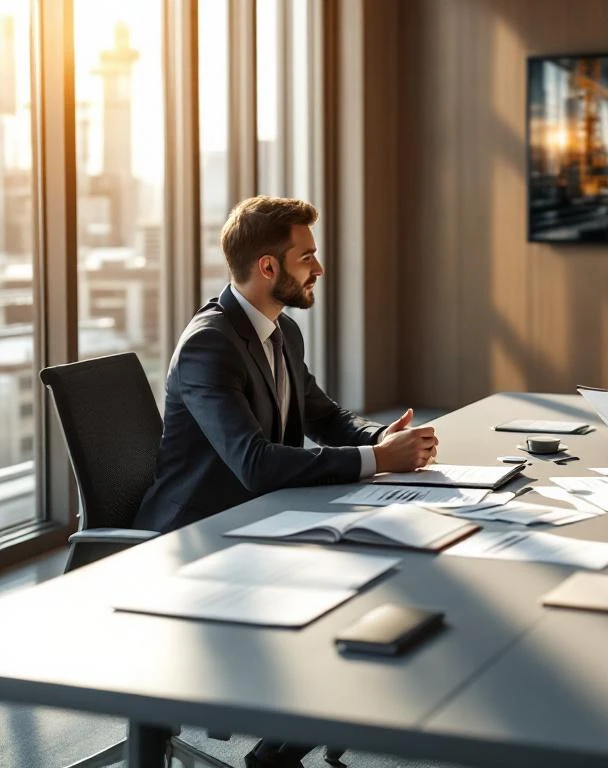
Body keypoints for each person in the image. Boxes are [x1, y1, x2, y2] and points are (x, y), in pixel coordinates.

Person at [135, 195, 437, 768]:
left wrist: (381, 440)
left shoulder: (281, 332)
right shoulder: (209, 344)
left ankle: (279, 748)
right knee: (356, 589)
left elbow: (323, 417)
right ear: (268, 267)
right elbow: (254, 462)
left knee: (389, 568)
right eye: (308, 257)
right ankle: (283, 743)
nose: (318, 269)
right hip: (197, 536)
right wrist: (377, 462)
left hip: (258, 518)